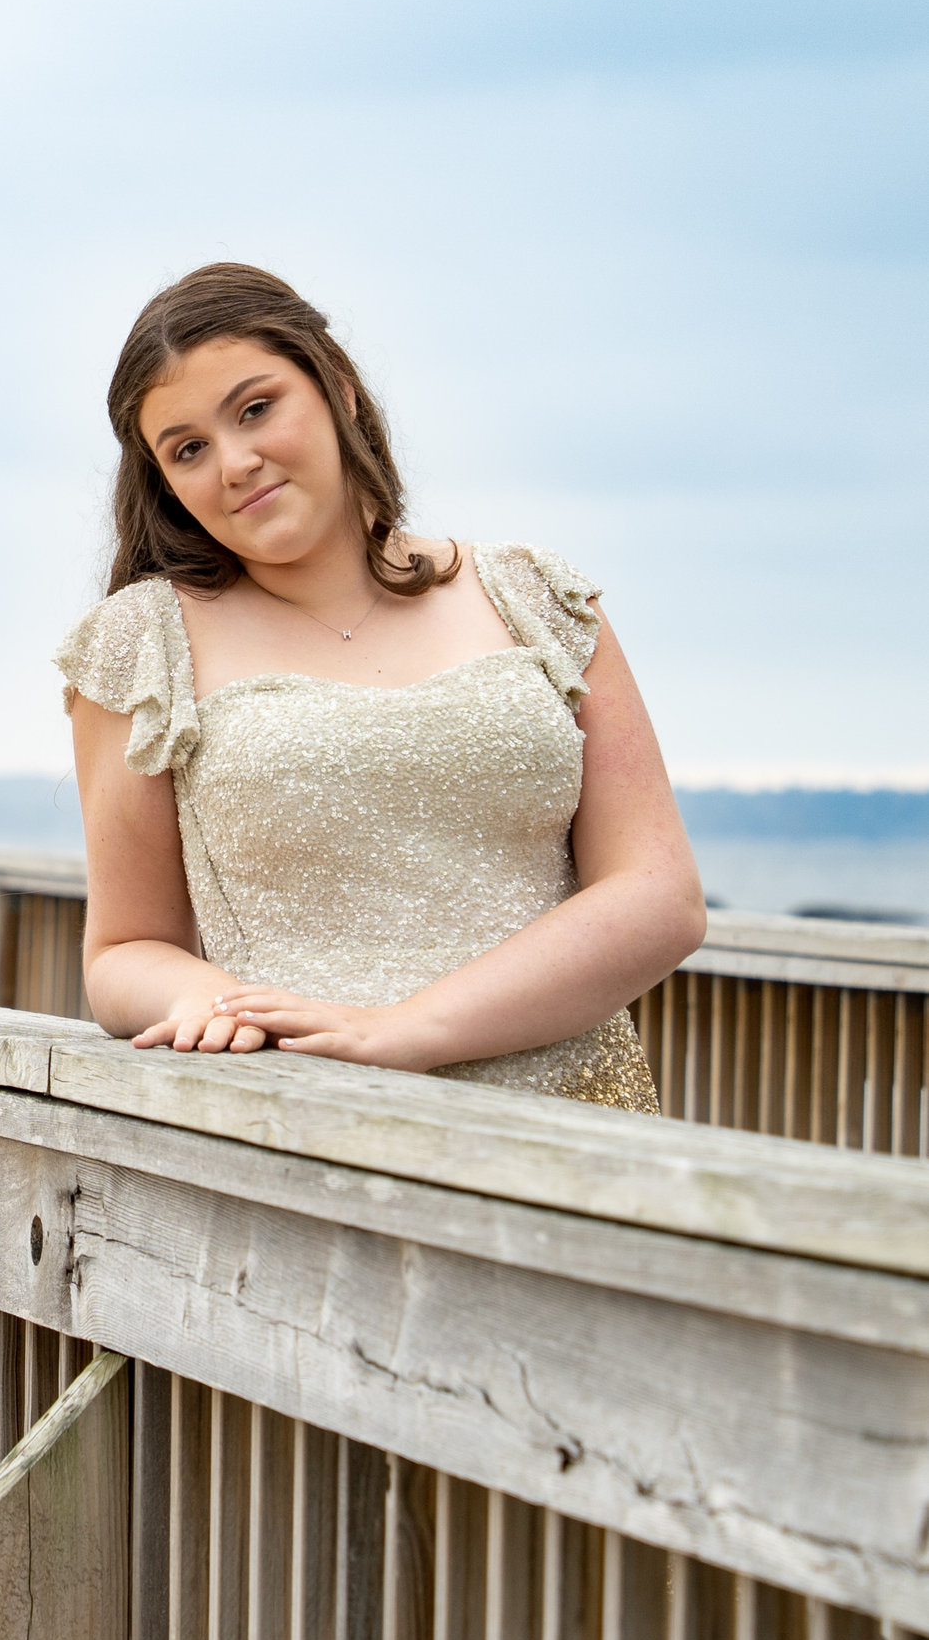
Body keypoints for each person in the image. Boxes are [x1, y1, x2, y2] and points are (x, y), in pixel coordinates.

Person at [54, 264, 703, 1110]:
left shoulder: (537, 599)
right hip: (313, 1129)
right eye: (188, 449)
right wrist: (203, 999)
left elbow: (661, 898)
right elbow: (124, 949)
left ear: (340, 388)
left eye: (256, 409)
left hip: (581, 1136)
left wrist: (410, 1029)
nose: (237, 462)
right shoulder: (142, 646)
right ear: (165, 482)